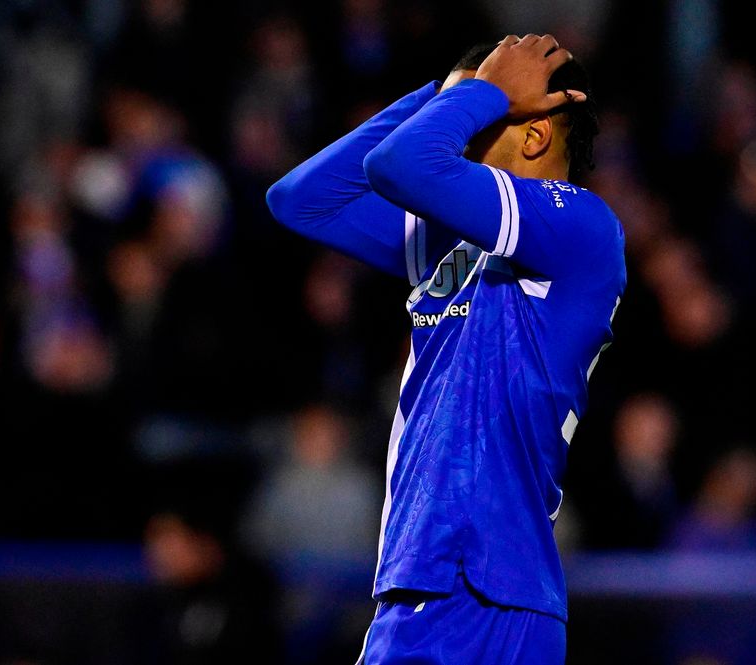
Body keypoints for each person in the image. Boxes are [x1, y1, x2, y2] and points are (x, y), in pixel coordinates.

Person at [266, 34, 625, 665]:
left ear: (535, 136)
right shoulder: (452, 246)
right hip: (437, 585)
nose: (453, 132)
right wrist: (447, 92)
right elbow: (301, 201)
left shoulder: (580, 224)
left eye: (480, 118)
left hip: (478, 586)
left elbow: (399, 166)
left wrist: (477, 93)